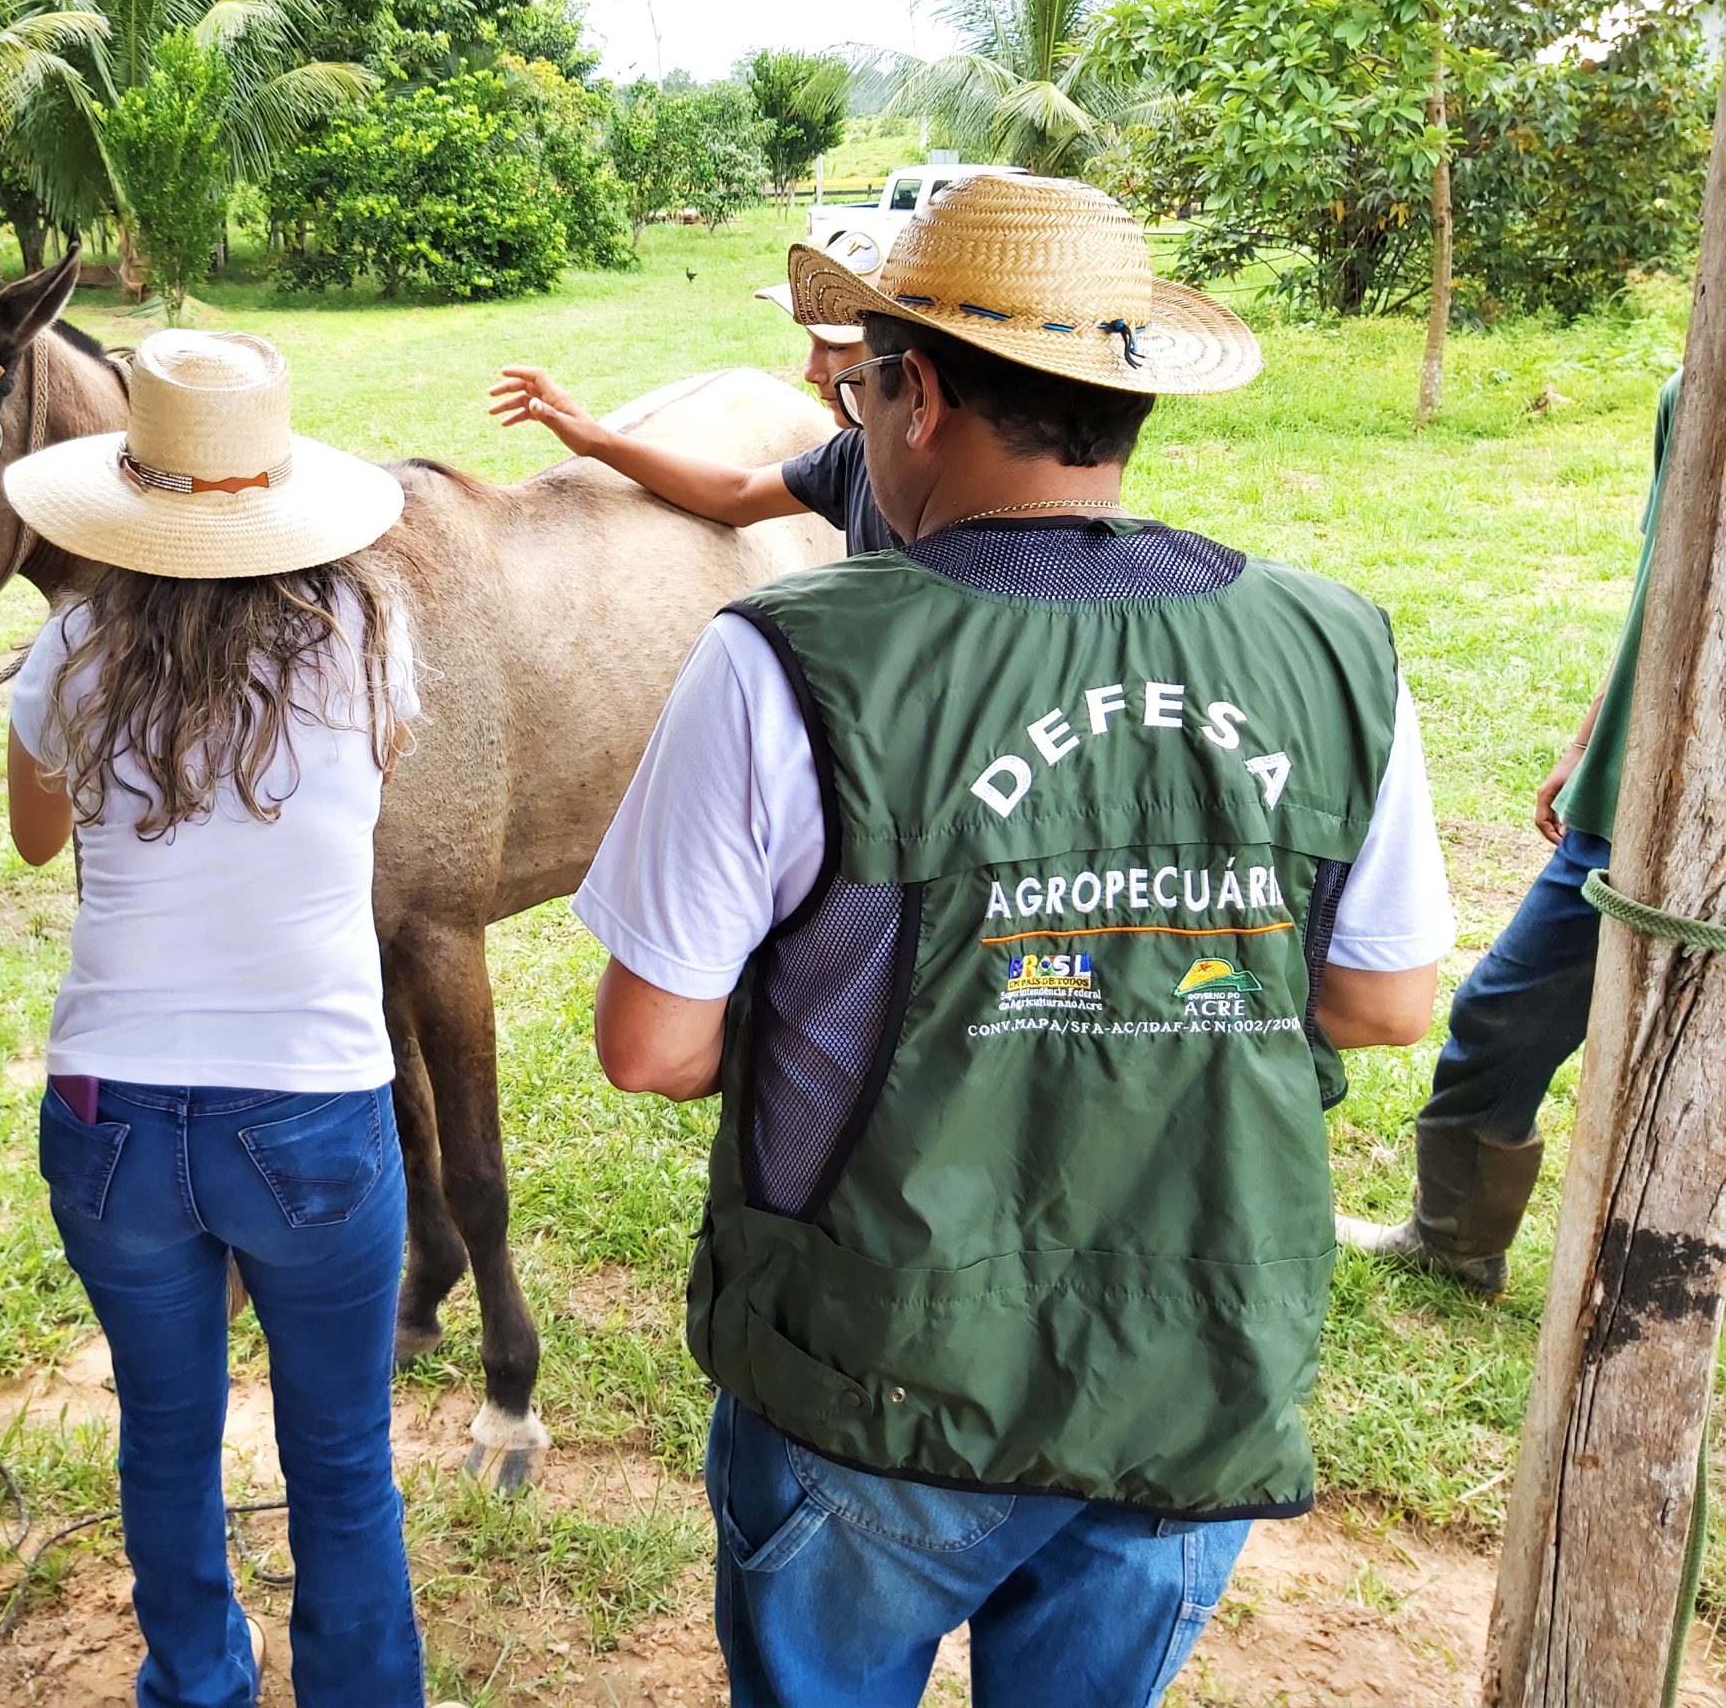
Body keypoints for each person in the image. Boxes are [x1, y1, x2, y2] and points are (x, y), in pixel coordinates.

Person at [572, 175, 1455, 1707]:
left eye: (858, 384)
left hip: (874, 1372)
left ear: (909, 398)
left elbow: (653, 1049)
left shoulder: (792, 659)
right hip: (1191, 1370)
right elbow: (1384, 1003)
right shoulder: (1335, 644)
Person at [0, 331, 454, 1708]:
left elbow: (35, 840)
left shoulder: (73, 642)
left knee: (166, 1437)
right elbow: (368, 781)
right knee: (340, 1458)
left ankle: (197, 1683)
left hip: (109, 1112)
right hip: (313, 1106)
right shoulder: (368, 630)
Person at [1339, 369, 1683, 1292]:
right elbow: (1666, 595)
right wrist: (1591, 741)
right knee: (1503, 1010)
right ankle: (1456, 1236)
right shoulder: (1692, 392)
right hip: (1631, 800)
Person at [486, 226, 894, 554]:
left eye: (835, 347)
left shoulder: (945, 485)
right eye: (812, 344)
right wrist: (598, 441)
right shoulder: (855, 455)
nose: (809, 371)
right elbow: (740, 495)